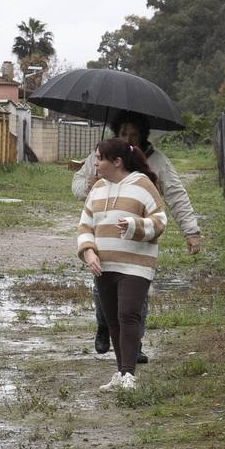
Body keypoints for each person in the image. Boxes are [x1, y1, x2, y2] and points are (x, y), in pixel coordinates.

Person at [71, 112, 201, 361]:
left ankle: (134, 343)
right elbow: (78, 187)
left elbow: (176, 195)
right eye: (123, 134)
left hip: (138, 245)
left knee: (135, 299)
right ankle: (104, 324)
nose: (129, 139)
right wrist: (87, 185)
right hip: (104, 241)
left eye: (134, 135)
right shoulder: (102, 157)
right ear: (115, 134)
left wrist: (191, 231)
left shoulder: (157, 162)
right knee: (102, 292)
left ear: (143, 136)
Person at [77, 137, 166, 390]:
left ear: (116, 162)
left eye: (99, 158)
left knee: (128, 314)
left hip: (136, 265)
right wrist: (89, 252)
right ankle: (120, 373)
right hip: (104, 265)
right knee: (112, 318)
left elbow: (160, 222)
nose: (95, 163)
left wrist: (134, 226)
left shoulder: (142, 184)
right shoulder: (97, 188)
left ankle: (129, 375)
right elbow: (85, 225)